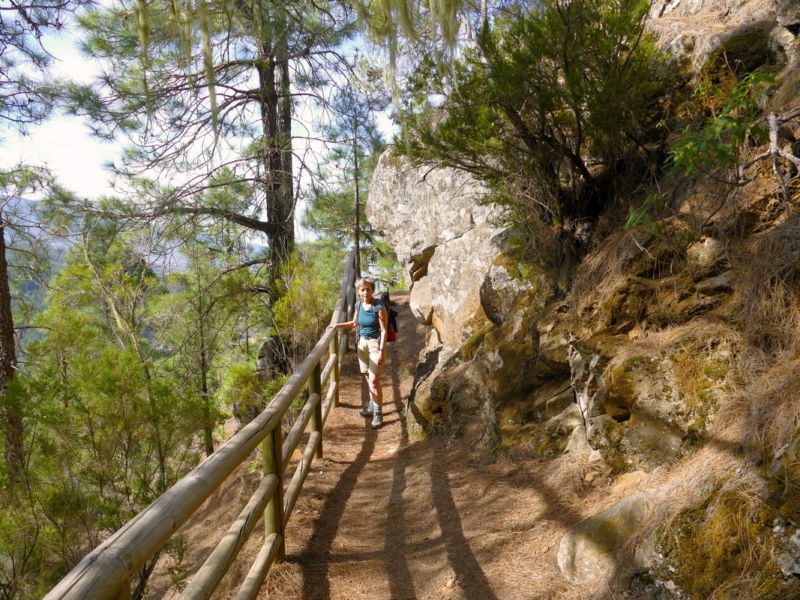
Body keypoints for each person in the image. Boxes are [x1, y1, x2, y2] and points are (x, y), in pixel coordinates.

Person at [327, 277, 389, 429]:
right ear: (359, 292)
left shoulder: (379, 306)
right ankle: (372, 407)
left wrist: (381, 351)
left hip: (375, 344)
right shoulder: (359, 304)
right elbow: (354, 323)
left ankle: (378, 413)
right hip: (362, 344)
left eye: (368, 289)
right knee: (368, 378)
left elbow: (384, 330)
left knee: (374, 381)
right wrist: (336, 325)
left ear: (372, 290)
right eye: (363, 289)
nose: (366, 292)